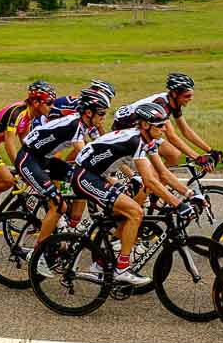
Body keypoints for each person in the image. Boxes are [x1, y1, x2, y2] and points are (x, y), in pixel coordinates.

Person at [70, 102, 196, 286]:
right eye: (160, 125)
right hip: (86, 176)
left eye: (165, 124)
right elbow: (151, 181)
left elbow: (163, 173)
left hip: (99, 175)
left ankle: (100, 263)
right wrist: (178, 204)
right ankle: (121, 268)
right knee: (135, 212)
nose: (165, 129)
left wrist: (190, 194)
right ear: (145, 125)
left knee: (128, 211)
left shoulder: (147, 140)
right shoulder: (135, 141)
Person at [19, 88, 109, 277]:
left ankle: (64, 226)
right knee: (59, 205)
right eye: (101, 113)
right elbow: (86, 157)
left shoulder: (85, 124)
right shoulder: (75, 125)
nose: (104, 117)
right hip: (29, 159)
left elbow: (101, 146)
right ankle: (37, 255)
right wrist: (107, 177)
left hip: (45, 158)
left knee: (80, 180)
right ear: (88, 112)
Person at [0, 80, 55, 223]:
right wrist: (21, 166)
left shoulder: (29, 116)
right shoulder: (18, 113)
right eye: (49, 103)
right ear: (36, 103)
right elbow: (9, 143)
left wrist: (37, 161)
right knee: (8, 180)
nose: (52, 107)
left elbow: (26, 143)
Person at [116, 73, 219, 167]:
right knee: (173, 155)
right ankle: (151, 184)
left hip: (140, 130)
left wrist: (210, 150)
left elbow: (186, 131)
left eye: (191, 95)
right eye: (187, 96)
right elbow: (172, 136)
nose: (190, 99)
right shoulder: (162, 105)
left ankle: (152, 184)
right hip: (126, 131)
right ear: (174, 94)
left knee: (173, 156)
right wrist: (198, 158)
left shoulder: (174, 103)